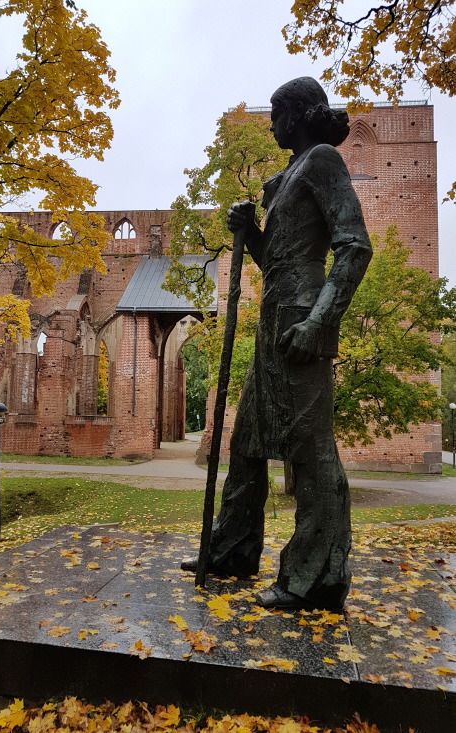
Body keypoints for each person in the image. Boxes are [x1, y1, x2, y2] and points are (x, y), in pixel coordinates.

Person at [182, 77, 372, 611]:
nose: (271, 126)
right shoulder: (288, 175)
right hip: (274, 318)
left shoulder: (322, 161)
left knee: (310, 451)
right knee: (246, 443)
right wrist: (252, 234)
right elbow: (277, 260)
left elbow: (355, 247)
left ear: (301, 114)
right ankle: (232, 550)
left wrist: (319, 323)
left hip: (301, 320)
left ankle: (314, 578)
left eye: (276, 115)